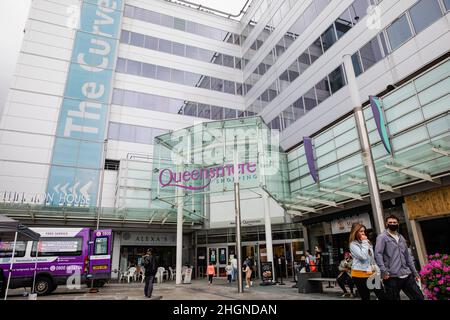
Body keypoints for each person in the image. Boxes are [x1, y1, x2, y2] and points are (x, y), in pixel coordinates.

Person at [375, 215, 424, 300]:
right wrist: (384, 271)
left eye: (394, 222)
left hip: (407, 274)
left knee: (419, 297)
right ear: (386, 224)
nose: (392, 224)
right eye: (390, 222)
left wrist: (415, 273)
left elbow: (407, 257)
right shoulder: (382, 237)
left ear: (398, 224)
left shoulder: (401, 238)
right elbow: (378, 254)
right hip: (392, 276)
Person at [349, 223, 384, 300]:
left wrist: (377, 271)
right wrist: (365, 242)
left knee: (382, 295)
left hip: (372, 274)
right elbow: (363, 257)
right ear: (355, 232)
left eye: (364, 231)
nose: (363, 233)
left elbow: (371, 258)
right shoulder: (353, 244)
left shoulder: (367, 242)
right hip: (359, 274)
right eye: (361, 231)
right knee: (365, 297)